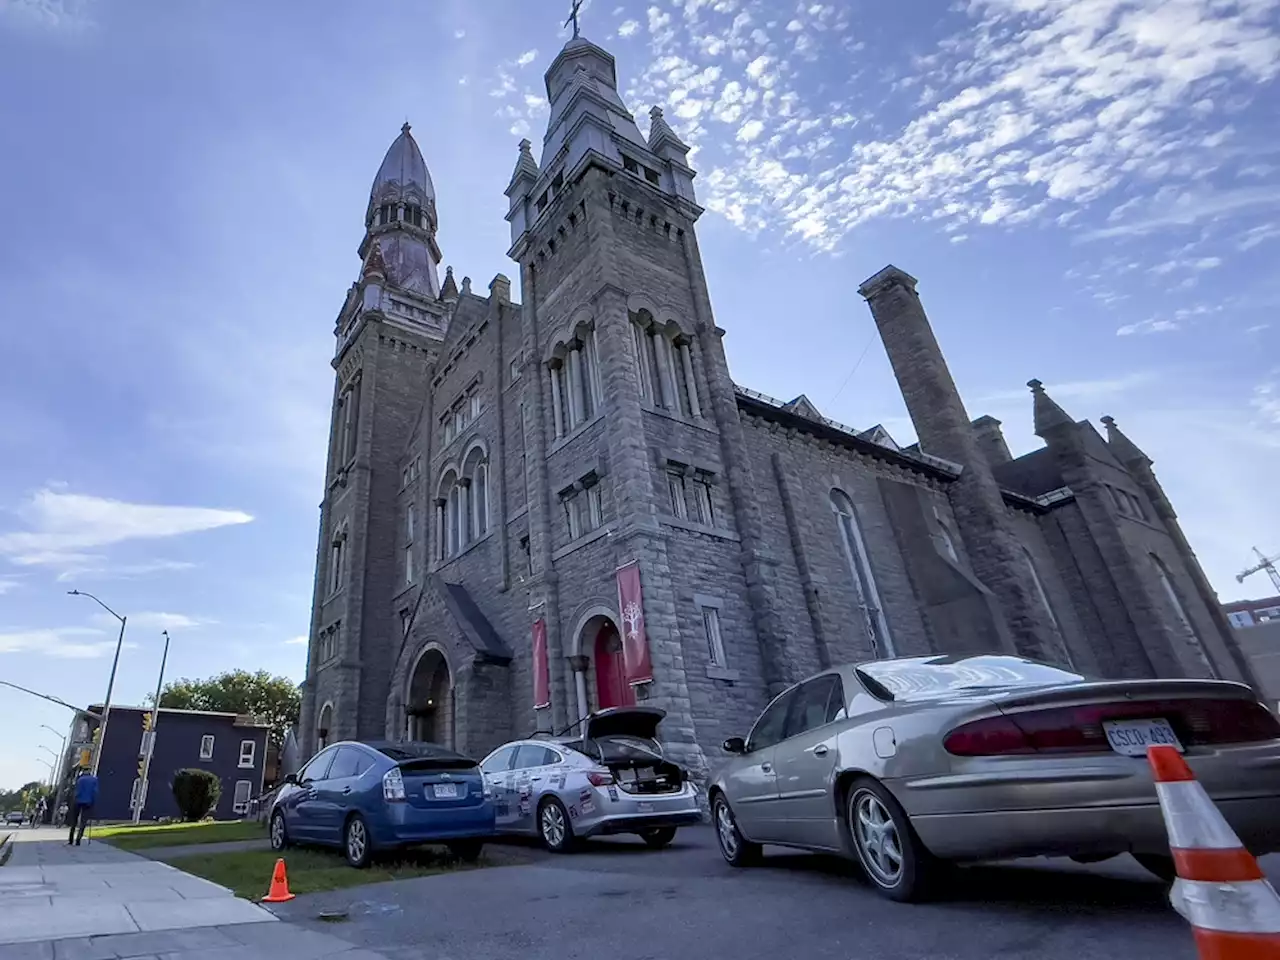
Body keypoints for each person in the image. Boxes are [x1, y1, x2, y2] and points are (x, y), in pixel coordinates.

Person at [68, 771, 98, 845]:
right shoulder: (94, 780)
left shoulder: (80, 780)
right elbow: (95, 791)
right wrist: (94, 801)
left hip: (78, 801)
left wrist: (74, 799)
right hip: (88, 802)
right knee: (83, 821)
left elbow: (76, 791)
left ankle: (71, 839)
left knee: (74, 820)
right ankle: (78, 839)